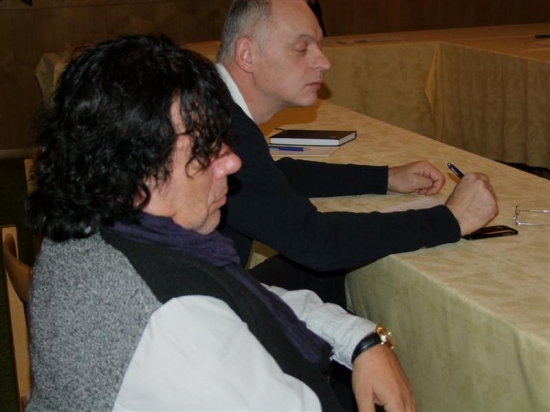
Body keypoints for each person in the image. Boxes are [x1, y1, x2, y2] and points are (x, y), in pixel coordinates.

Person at [25, 33, 415, 412]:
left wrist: (359, 339)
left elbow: (247, 297)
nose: (231, 161)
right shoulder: (177, 323)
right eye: (203, 149)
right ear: (134, 169)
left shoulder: (86, 235)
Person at [215, 0, 498, 305]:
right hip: (199, 313)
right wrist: (451, 218)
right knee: (331, 265)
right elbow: (318, 243)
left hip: (197, 290)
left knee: (325, 273)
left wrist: (384, 178)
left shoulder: (210, 102)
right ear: (247, 54)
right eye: (302, 48)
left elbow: (269, 176)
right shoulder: (225, 130)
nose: (324, 62)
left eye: (319, 46)